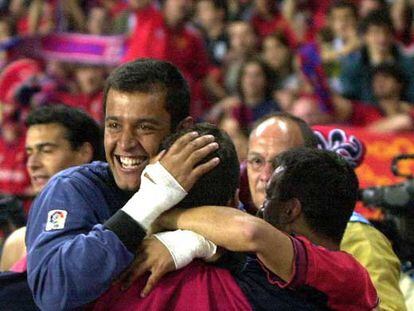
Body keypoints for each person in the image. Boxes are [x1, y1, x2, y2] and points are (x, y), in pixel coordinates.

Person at [25, 59, 219, 310]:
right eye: (114, 125)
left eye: (144, 127)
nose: (125, 143)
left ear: (181, 130)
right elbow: (53, 291)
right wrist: (149, 202)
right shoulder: (72, 189)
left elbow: (250, 240)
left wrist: (195, 243)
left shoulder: (200, 180)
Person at [154, 147, 379, 310]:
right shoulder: (263, 265)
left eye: (270, 196)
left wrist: (159, 213)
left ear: (289, 210)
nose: (261, 207)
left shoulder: (348, 275)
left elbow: (251, 232)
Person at [241, 113, 406, 311]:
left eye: (279, 163)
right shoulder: (240, 223)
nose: (265, 176)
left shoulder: (361, 239)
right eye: (257, 161)